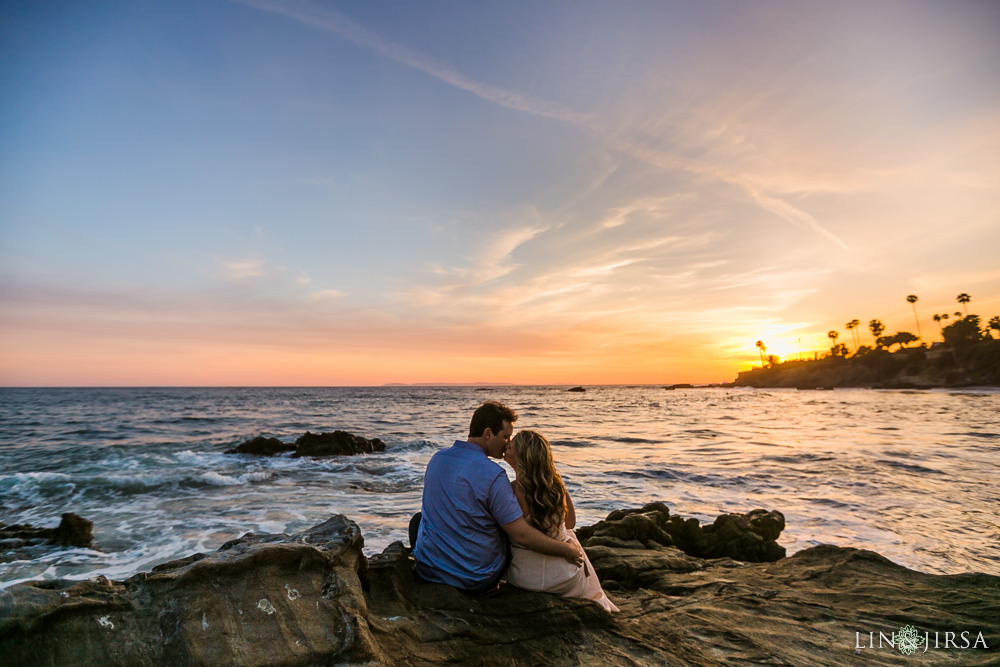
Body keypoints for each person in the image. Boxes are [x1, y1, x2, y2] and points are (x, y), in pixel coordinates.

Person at [412, 401, 583, 593]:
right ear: (487, 434)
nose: (508, 443)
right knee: (505, 527)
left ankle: (433, 563)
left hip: (429, 570)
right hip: (475, 578)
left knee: (419, 520)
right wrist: (567, 550)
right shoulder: (493, 475)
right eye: (505, 436)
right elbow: (521, 535)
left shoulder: (437, 458)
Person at [502, 429, 619, 612]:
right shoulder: (555, 485)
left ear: (520, 457)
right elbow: (570, 522)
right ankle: (596, 596)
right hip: (565, 577)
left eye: (510, 445)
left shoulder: (511, 490)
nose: (505, 445)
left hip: (524, 577)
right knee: (568, 533)